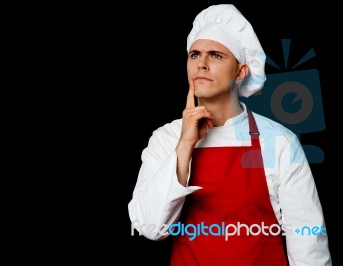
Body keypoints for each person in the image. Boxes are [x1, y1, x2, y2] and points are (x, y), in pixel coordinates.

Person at [127, 4, 331, 266]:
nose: (201, 63)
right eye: (194, 54)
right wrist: (185, 145)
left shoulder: (279, 142)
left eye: (215, 55)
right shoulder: (165, 139)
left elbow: (308, 241)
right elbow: (150, 228)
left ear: (241, 71)